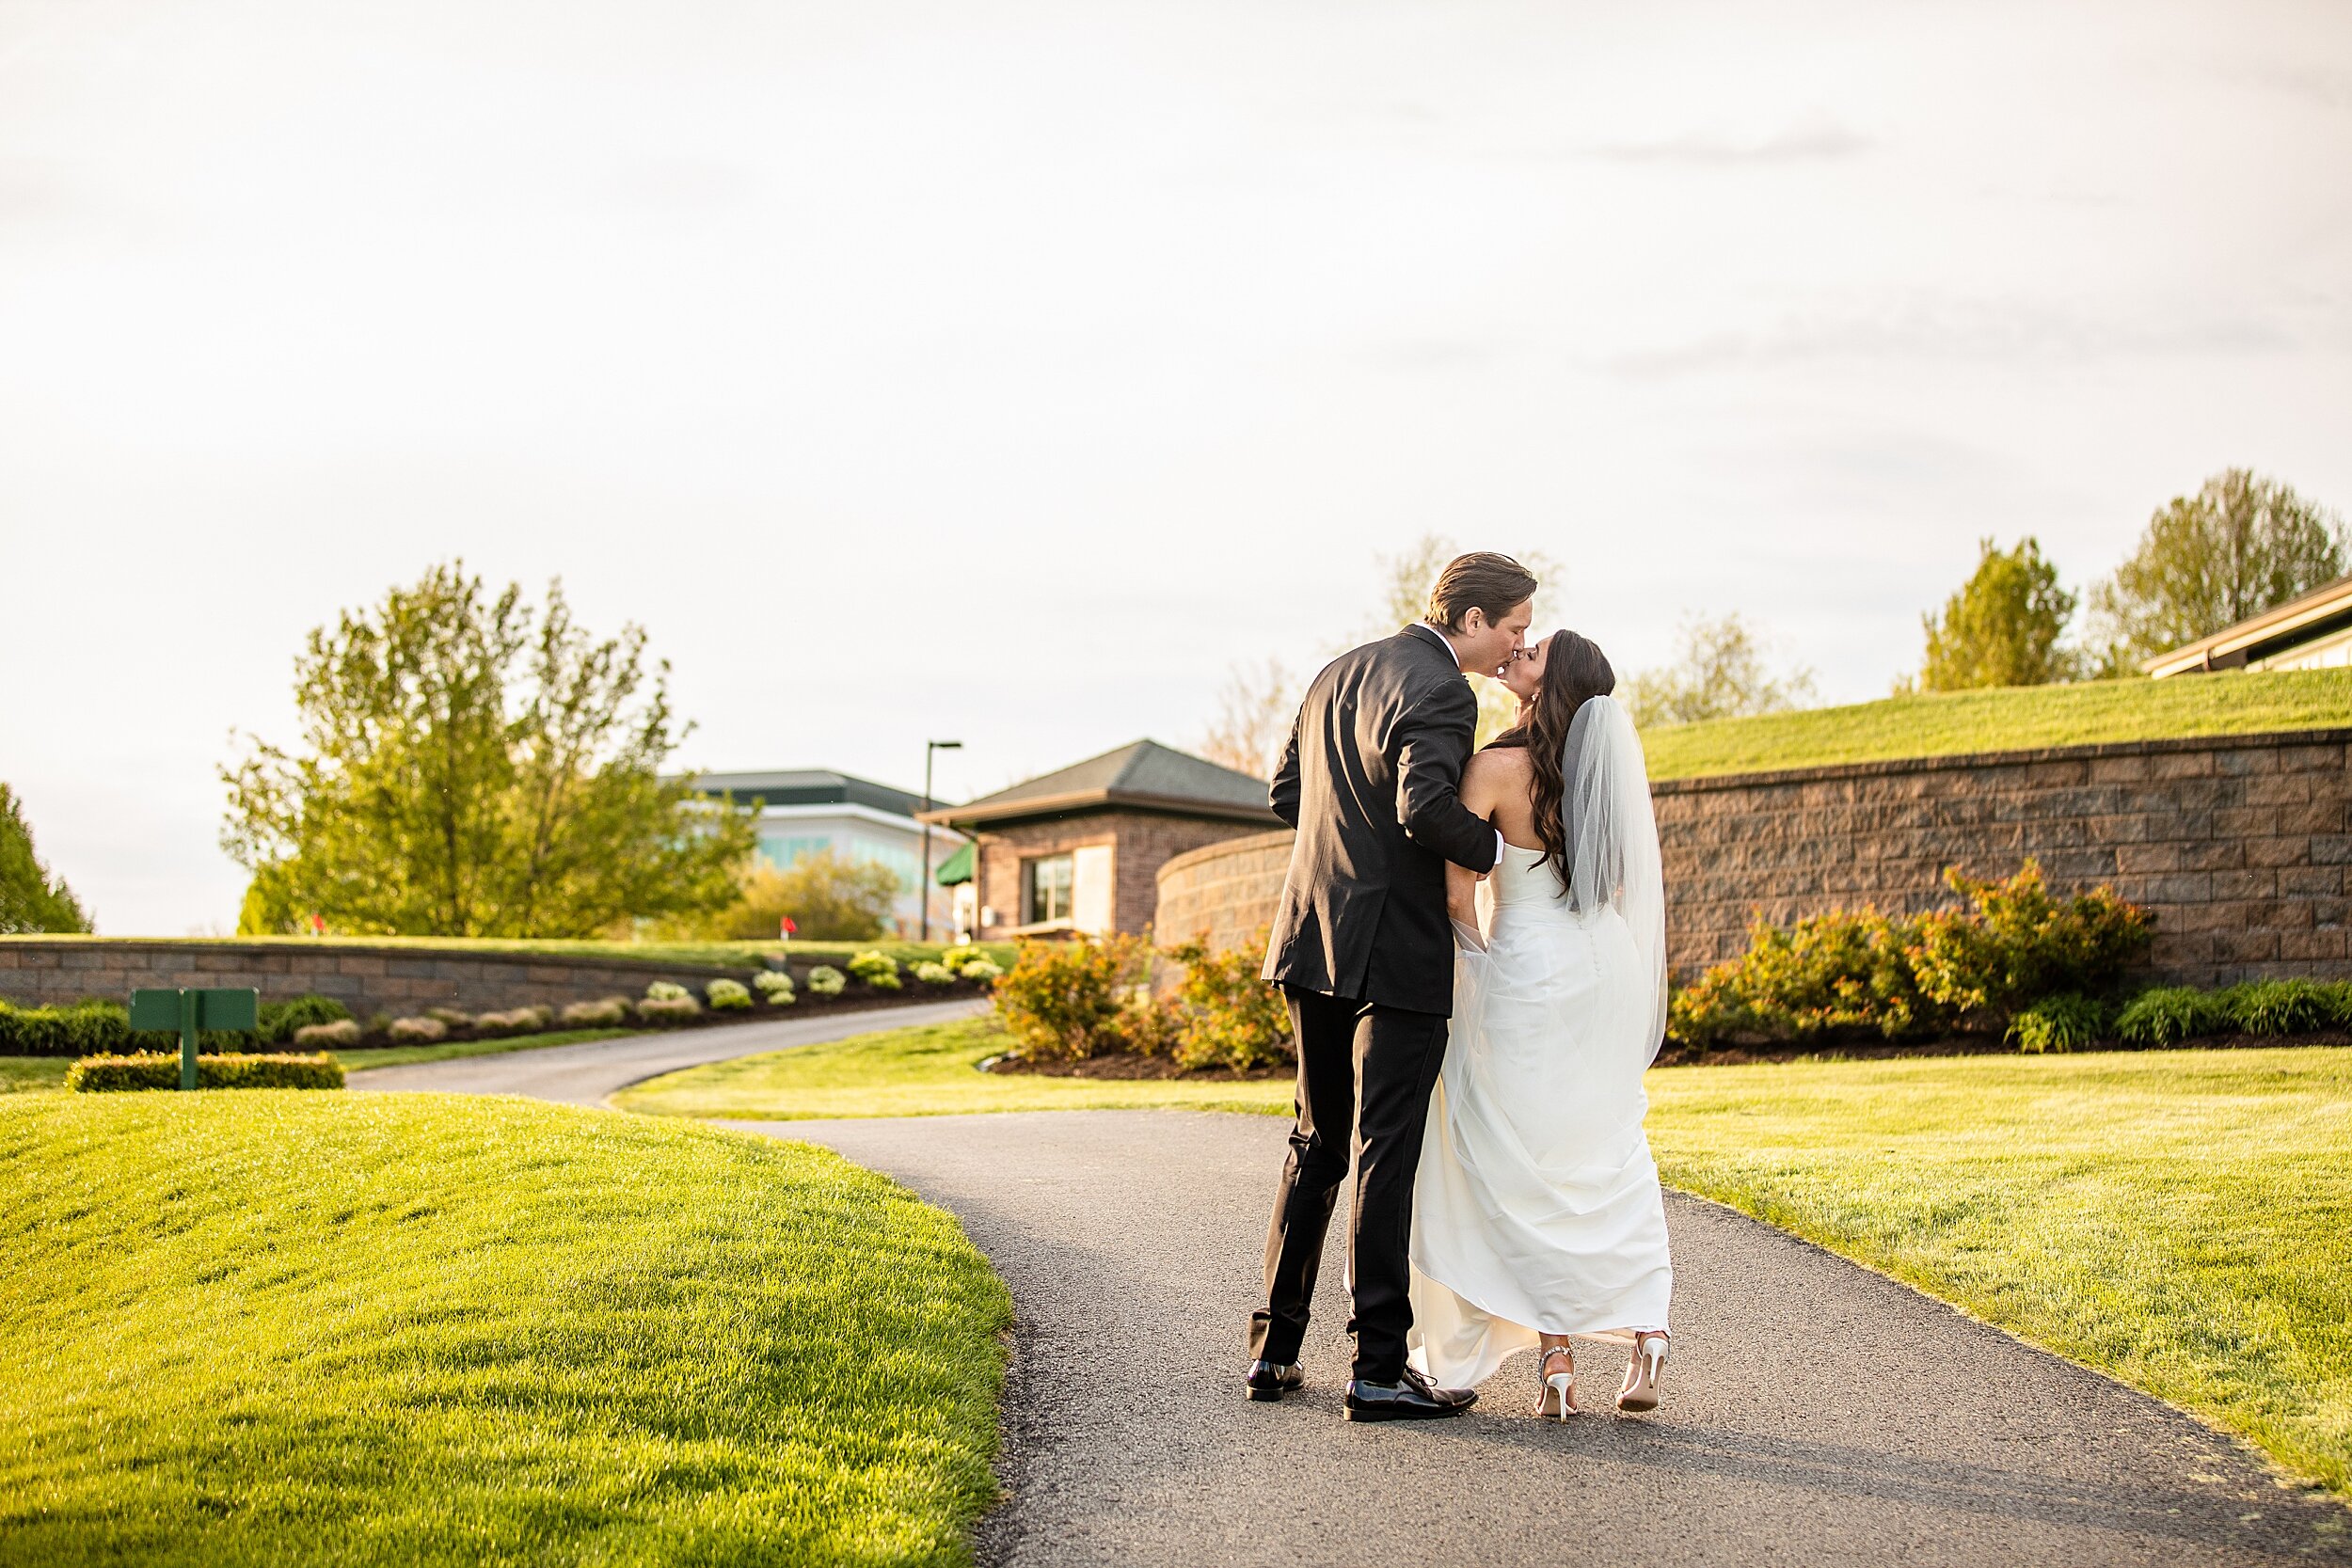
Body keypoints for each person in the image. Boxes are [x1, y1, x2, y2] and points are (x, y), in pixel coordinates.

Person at [1246, 551, 1535, 1422]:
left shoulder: (1336, 670)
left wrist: (1348, 852)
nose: (1517, 643)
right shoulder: (1447, 690)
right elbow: (1424, 809)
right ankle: (1376, 1369)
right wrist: (1512, 851)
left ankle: (1275, 1351)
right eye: (1514, 627)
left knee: (1315, 1141)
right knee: (1385, 1151)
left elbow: (1285, 795)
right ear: (1473, 620)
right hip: (1396, 952)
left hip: (1311, 936)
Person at [1406, 629, 1675, 1419]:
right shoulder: (1602, 778)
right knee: (1607, 1143)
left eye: (1533, 652)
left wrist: (1474, 969)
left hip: (1526, 967)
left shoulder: (1492, 769)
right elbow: (1620, 888)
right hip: (1601, 965)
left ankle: (1557, 1356)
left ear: (1545, 682)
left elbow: (1460, 896)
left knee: (1527, 1155)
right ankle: (1648, 1332)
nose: (1518, 652)